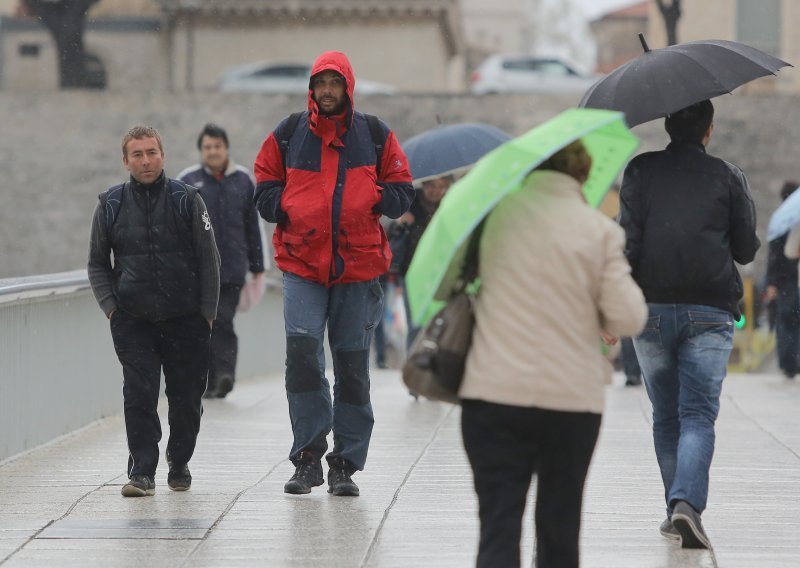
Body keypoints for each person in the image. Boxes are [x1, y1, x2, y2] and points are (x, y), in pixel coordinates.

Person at [459, 141, 647, 568]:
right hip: (570, 404)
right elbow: (630, 317)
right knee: (560, 528)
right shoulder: (598, 231)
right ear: (582, 174)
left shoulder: (492, 217)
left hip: (493, 396)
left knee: (498, 527)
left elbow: (447, 287)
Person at [253, 51, 414, 497]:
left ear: (348, 88)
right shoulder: (288, 134)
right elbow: (263, 184)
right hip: (302, 264)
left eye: (334, 83)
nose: (327, 90)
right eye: (320, 83)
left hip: (359, 268)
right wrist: (283, 205)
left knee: (352, 366)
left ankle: (345, 462)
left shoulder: (376, 135)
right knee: (303, 361)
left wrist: (376, 198)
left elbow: (404, 193)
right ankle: (307, 457)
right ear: (311, 88)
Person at [619, 100, 760, 549]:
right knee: (697, 414)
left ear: (666, 124)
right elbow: (746, 250)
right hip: (709, 310)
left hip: (651, 309)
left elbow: (629, 245)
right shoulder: (727, 176)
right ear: (709, 129)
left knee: (666, 416)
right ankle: (686, 505)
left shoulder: (640, 172)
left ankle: (675, 508)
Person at [88, 125, 220, 497]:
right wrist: (112, 309)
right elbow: (97, 263)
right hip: (133, 320)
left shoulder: (187, 199)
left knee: (186, 397)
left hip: (187, 318)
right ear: (125, 161)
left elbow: (210, 260)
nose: (146, 161)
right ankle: (142, 471)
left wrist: (207, 313)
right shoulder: (110, 204)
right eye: (137, 155)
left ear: (163, 155)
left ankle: (179, 462)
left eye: (151, 153)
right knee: (139, 395)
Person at [179, 123, 265, 398]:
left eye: (217, 146)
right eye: (207, 147)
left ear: (226, 148)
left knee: (223, 321)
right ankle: (206, 379)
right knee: (200, 325)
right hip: (195, 272)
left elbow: (254, 227)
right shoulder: (188, 181)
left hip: (231, 269)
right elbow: (176, 228)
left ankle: (225, 375)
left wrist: (258, 267)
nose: (212, 151)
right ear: (201, 151)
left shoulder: (243, 180)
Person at [387, 174, 453, 350]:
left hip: (439, 270)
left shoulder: (450, 205)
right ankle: (413, 362)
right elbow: (392, 238)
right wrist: (400, 223)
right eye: (432, 186)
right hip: (411, 272)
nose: (436, 191)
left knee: (441, 321)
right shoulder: (409, 203)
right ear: (424, 185)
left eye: (442, 186)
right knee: (416, 321)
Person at [765, 181, 800, 378]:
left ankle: (789, 363)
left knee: (787, 320)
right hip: (791, 278)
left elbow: (778, 254)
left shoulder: (782, 222)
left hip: (787, 279)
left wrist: (772, 281)